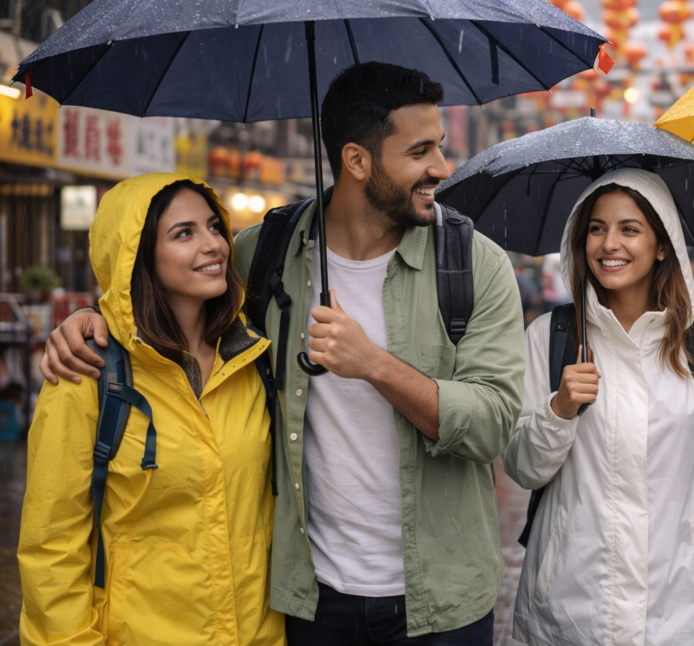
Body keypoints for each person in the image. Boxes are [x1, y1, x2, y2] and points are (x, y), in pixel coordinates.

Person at [39, 63, 526, 644]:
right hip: (307, 597)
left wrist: (372, 363)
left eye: (440, 147)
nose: (441, 169)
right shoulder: (263, 253)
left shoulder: (475, 264)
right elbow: (161, 285)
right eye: (420, 151)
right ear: (357, 161)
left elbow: (492, 425)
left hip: (441, 602)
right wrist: (92, 317)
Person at [503, 169, 694, 646]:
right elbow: (523, 468)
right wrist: (559, 409)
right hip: (571, 612)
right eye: (596, 228)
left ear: (663, 244)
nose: (610, 244)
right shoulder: (550, 338)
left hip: (683, 611)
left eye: (630, 229)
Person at [20, 174, 284, 645]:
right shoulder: (88, 372)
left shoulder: (251, 357)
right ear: (137, 257)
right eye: (184, 234)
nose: (213, 246)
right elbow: (52, 547)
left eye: (213, 227)